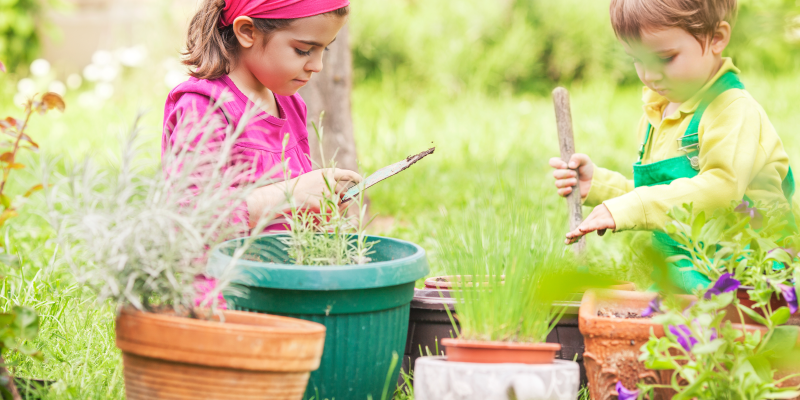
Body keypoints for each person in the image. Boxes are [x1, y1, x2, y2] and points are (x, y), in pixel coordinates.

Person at [549, 0, 795, 293]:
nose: (649, 75)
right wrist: (603, 187)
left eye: (665, 58)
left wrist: (634, 206)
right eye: (636, 59)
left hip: (746, 274)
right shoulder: (660, 111)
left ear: (716, 38)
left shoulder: (731, 108)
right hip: (692, 266)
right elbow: (672, 196)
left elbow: (721, 189)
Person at [163, 0, 362, 231]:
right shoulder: (204, 109)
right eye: (303, 50)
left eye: (324, 49)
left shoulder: (290, 103)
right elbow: (188, 216)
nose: (318, 65)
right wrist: (289, 194)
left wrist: (315, 210)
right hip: (230, 267)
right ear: (247, 32)